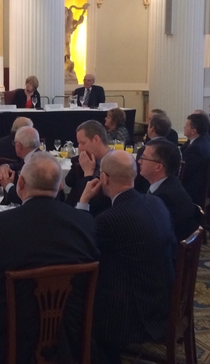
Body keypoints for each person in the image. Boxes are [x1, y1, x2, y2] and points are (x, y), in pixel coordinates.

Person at [0, 153, 98, 364]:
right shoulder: (85, 223)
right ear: (60, 186)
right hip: (69, 337)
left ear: (20, 183)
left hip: (5, 338)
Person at [77, 151, 176, 364]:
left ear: (104, 178)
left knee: (78, 298)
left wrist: (83, 201)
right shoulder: (156, 202)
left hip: (137, 314)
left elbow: (80, 248)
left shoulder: (110, 219)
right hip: (163, 298)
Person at [138, 138, 199, 242]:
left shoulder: (164, 198)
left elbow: (146, 233)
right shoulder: (169, 183)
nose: (139, 161)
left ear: (158, 167)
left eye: (143, 158)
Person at [65, 120, 112, 216]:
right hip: (73, 212)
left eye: (83, 143)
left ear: (96, 140)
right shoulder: (83, 160)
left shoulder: (114, 163)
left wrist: (88, 174)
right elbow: (69, 182)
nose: (80, 148)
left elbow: (96, 202)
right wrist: (79, 165)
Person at [0, 126, 41, 205]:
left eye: (14, 143)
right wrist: (5, 166)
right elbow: (18, 166)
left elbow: (23, 197)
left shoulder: (35, 164)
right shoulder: (34, 156)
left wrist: (7, 184)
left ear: (19, 146)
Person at [181, 113, 210, 207]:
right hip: (202, 185)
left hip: (194, 190)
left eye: (187, 125)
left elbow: (184, 173)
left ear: (193, 130)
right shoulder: (204, 140)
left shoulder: (195, 149)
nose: (184, 127)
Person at [135, 112, 173, 193]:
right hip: (169, 187)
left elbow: (138, 176)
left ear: (152, 129)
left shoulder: (146, 149)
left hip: (146, 190)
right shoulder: (174, 148)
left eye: (148, 126)